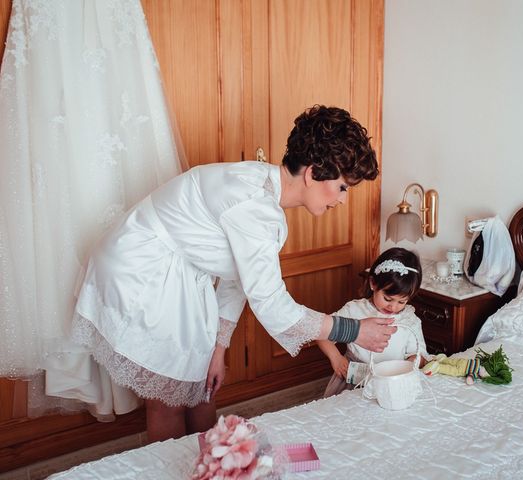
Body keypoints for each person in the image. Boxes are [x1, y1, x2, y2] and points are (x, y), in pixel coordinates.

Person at [65, 105, 397, 441]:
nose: (342, 200)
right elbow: (272, 306)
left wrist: (218, 348)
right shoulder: (255, 207)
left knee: (201, 389)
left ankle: (214, 463)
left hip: (179, 272)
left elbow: (239, 280)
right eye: (342, 187)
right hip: (142, 269)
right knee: (168, 399)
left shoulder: (264, 192)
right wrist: (351, 329)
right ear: (312, 174)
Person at [318, 247, 429, 397]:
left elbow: (420, 355)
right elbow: (320, 332)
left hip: (392, 383)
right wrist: (336, 358)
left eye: (402, 301)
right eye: (388, 299)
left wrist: (411, 363)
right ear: (373, 284)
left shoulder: (409, 320)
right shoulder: (354, 310)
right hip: (354, 382)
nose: (393, 307)